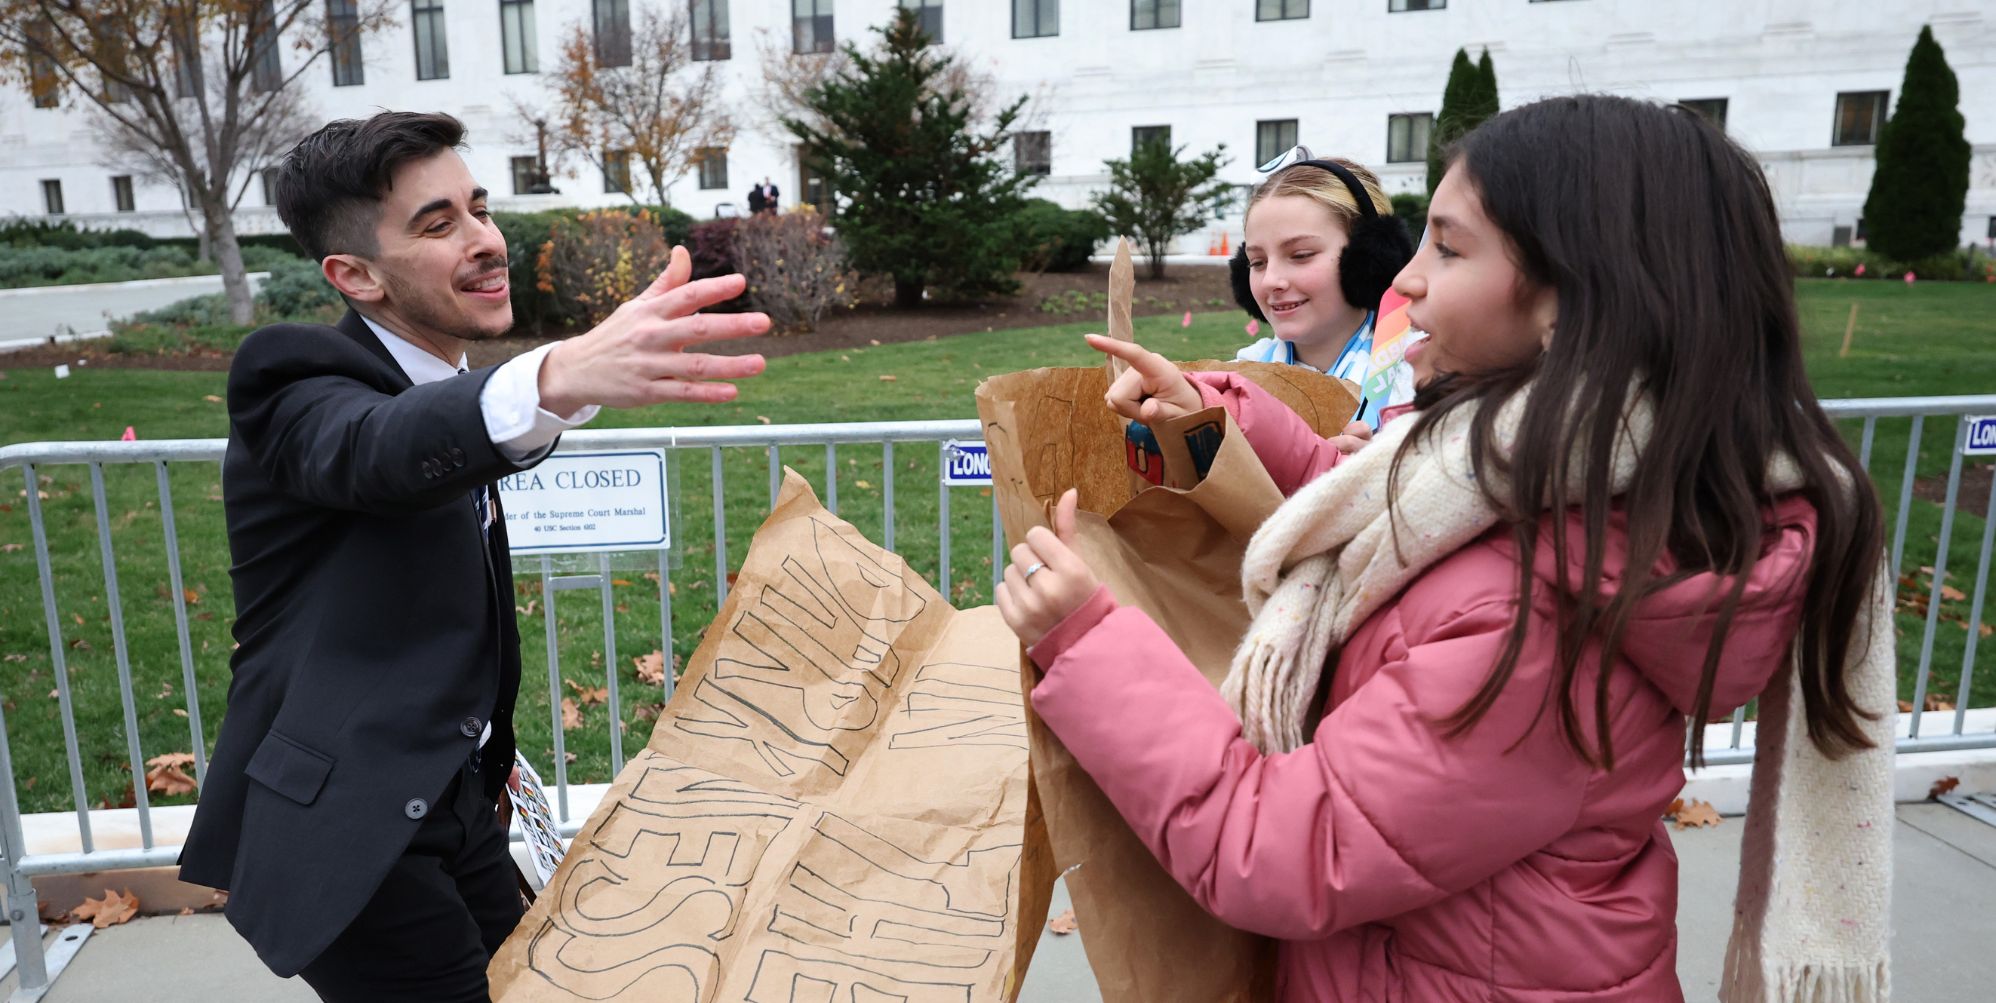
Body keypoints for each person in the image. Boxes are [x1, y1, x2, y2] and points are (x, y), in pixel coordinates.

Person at [997, 95, 1896, 1001]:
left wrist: (1084, 640)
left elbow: (1281, 850)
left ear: (1572, 297)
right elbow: (1385, 517)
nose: (1406, 280)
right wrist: (1216, 417)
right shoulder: (1533, 477)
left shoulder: (1536, 613)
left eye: (1450, 248)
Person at [176, 111, 770, 1002]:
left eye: (479, 208)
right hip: (352, 822)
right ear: (355, 275)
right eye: (437, 223)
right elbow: (380, 451)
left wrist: (562, 391)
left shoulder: (450, 389)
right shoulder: (292, 377)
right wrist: (559, 373)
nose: (486, 239)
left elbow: (466, 437)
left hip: (454, 803)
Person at [1229, 150, 1413, 431]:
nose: (1270, 281)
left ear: (1368, 259)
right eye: (1257, 262)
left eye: (1301, 255)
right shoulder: (1239, 378)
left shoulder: (1420, 383)